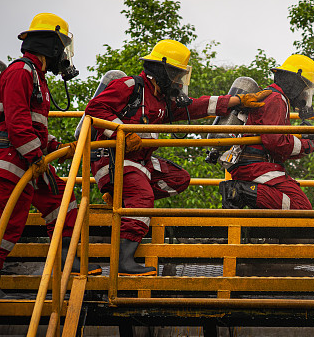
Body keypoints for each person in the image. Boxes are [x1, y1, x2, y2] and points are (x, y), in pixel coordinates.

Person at [85, 39, 271, 276]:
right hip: (114, 159)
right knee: (142, 198)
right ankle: (123, 262)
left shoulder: (164, 100)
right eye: (177, 75)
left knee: (178, 178)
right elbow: (95, 109)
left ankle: (122, 197)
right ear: (165, 71)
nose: (180, 82)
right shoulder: (130, 86)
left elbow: (198, 106)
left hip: (139, 162)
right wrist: (124, 131)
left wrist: (238, 101)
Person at [0, 12, 100, 300]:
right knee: (3, 222)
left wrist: (57, 146)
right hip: (10, 160)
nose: (65, 57)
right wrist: (37, 157)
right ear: (52, 46)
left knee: (62, 201)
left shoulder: (36, 75)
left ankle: (69, 259)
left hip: (29, 158)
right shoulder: (21, 72)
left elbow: (33, 125)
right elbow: (18, 123)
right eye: (63, 48)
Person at [219, 54, 314, 210]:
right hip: (256, 167)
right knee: (300, 207)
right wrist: (311, 145)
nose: (305, 96)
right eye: (305, 89)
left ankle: (246, 194)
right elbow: (276, 142)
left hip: (258, 166)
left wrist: (308, 144)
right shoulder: (276, 99)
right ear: (294, 84)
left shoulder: (276, 98)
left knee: (291, 207)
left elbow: (281, 147)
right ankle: (240, 191)